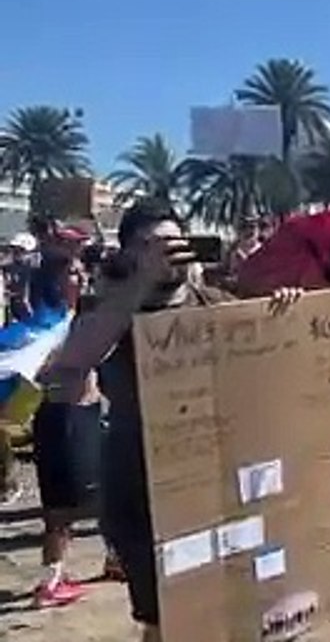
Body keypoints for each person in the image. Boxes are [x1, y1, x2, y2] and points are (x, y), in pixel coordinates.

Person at [40, 199, 300, 642]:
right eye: (154, 245)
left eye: (176, 243)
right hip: (142, 493)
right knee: (165, 620)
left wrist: (281, 308)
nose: (169, 253)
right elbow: (72, 365)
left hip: (215, 484)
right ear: (129, 253)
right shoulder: (108, 308)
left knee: (223, 609)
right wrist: (139, 285)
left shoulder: (214, 303)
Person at [29, 254, 109, 607]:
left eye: (81, 271)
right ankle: (51, 581)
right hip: (63, 417)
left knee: (105, 494)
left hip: (87, 413)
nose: (82, 276)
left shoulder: (80, 317)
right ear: (55, 282)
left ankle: (116, 559)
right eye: (72, 273)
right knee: (61, 507)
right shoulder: (50, 325)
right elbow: (45, 371)